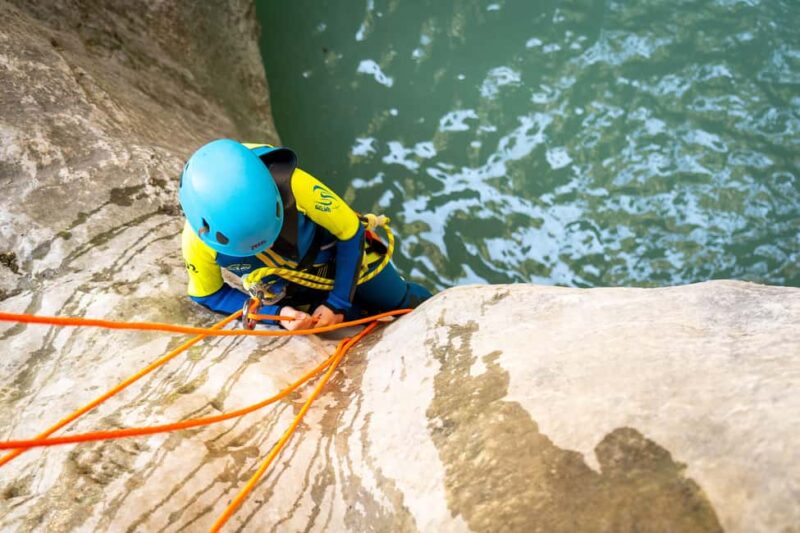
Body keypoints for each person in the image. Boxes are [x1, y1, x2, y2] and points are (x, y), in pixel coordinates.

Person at [179, 139, 432, 330]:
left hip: (346, 260)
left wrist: (338, 302)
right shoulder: (197, 243)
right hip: (290, 292)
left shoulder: (293, 183)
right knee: (352, 323)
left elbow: (349, 231)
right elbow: (208, 294)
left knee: (399, 300)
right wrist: (278, 314)